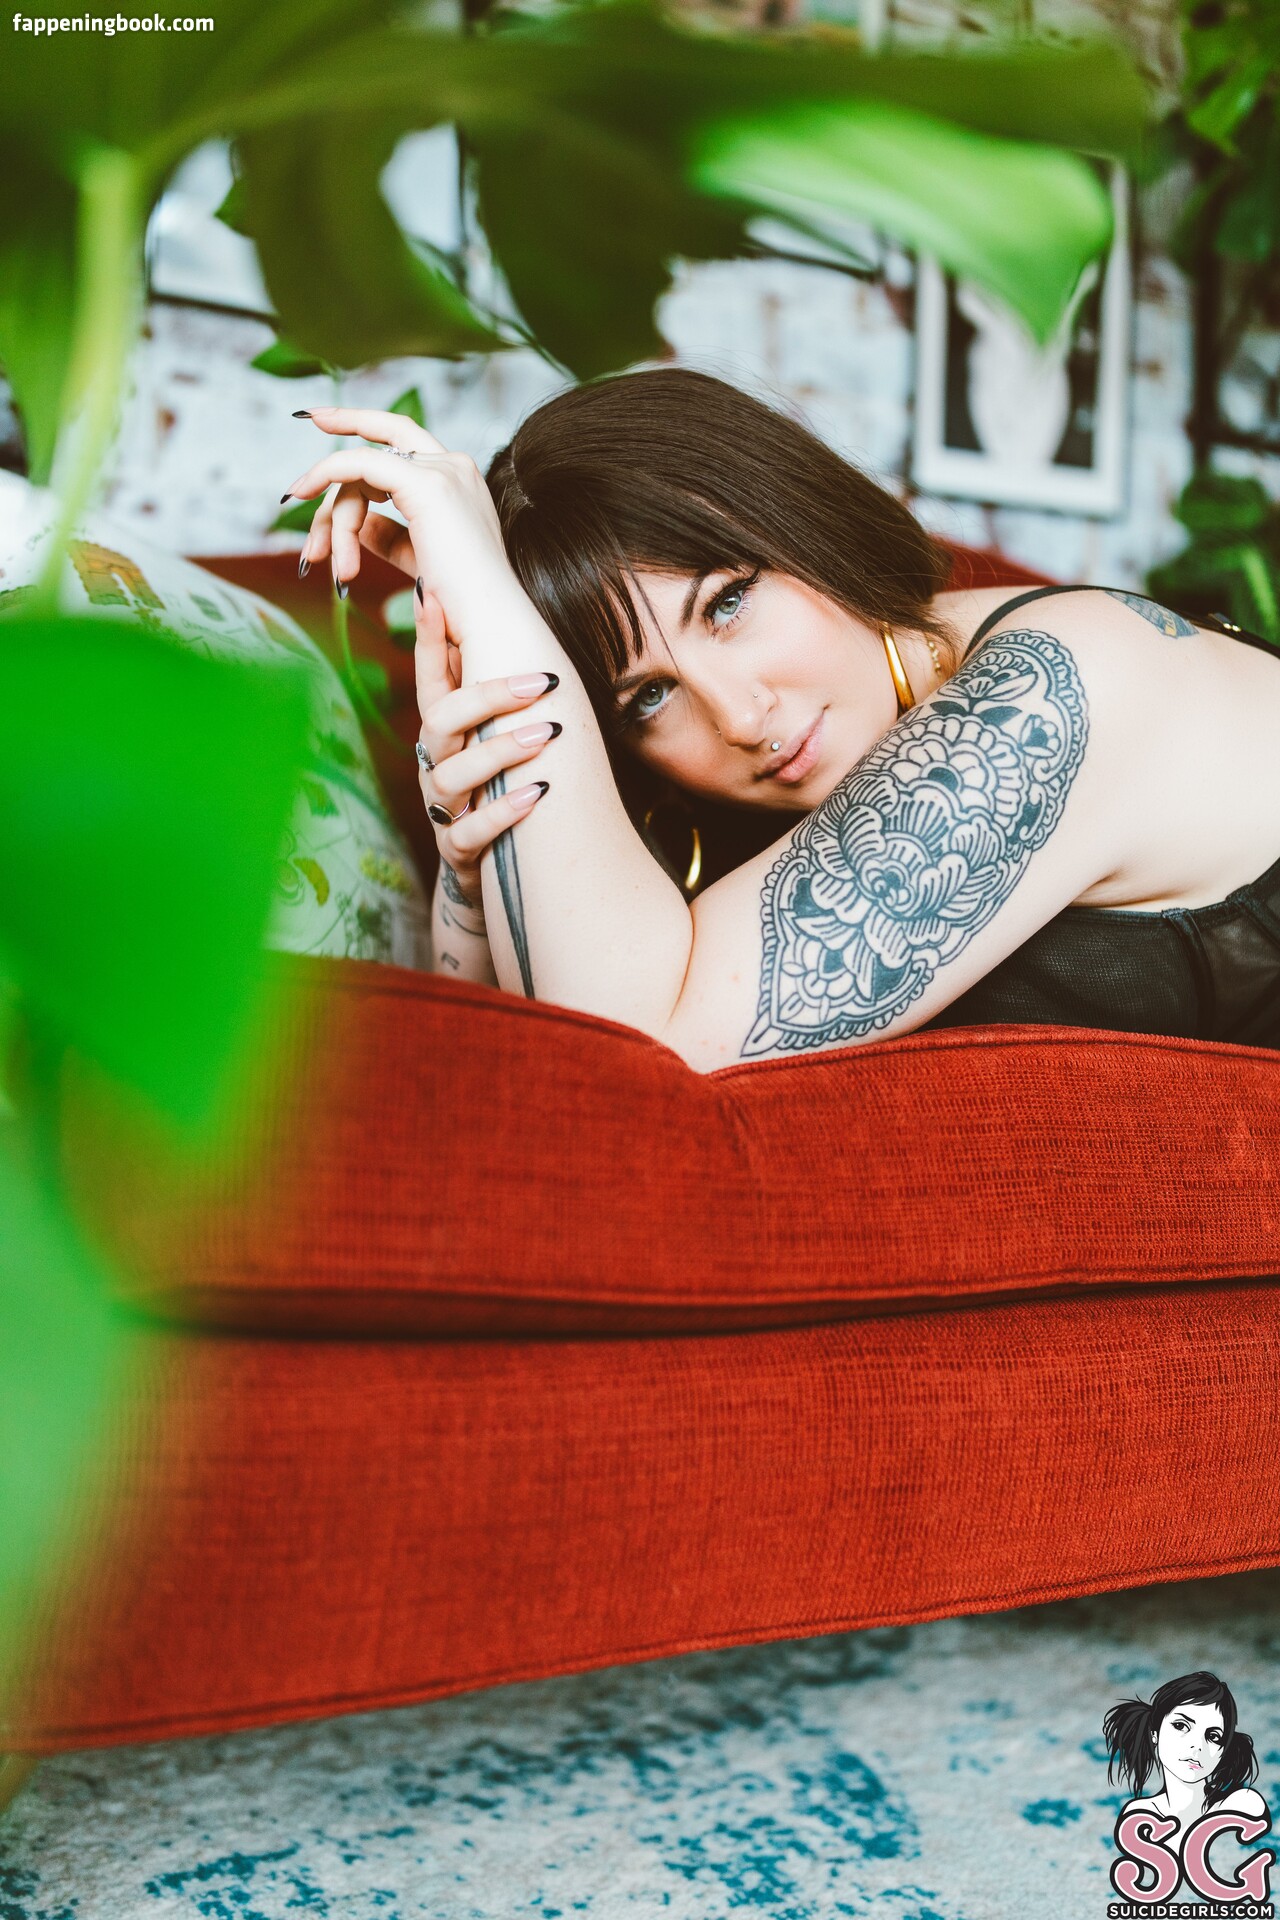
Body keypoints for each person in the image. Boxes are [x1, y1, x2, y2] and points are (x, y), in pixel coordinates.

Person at [281, 368, 1280, 1068]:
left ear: (797, 517)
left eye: (726, 602)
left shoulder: (1066, 682)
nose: (739, 714)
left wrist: (484, 592)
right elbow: (502, 1086)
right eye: (647, 698)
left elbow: (637, 1058)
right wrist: (473, 876)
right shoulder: (727, 823)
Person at [1104, 1671, 1267, 1846]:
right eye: (1181, 1726)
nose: (1197, 1746)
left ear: (1224, 1751)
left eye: (1213, 1736)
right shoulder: (1140, 1814)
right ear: (1154, 1733)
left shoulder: (1242, 1804)